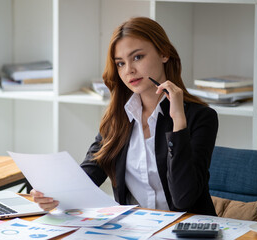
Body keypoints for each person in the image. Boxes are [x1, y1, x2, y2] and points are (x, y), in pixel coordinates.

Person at [31, 16, 218, 216]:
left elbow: (184, 198)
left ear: (164, 53)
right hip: (133, 230)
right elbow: (88, 175)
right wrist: (53, 195)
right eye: (120, 63)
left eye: (137, 57)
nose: (129, 70)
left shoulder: (201, 117)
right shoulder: (118, 118)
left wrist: (178, 122)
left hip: (186, 231)